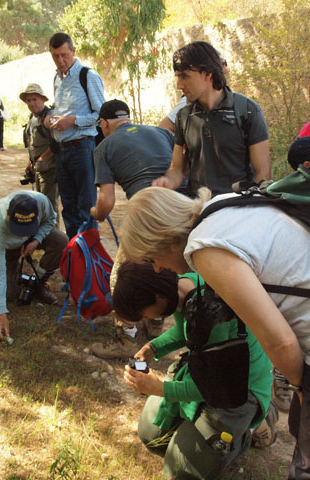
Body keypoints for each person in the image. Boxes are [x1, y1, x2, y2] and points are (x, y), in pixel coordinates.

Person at [120, 186, 310, 479]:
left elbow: (280, 343)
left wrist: (302, 389)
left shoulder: (205, 250)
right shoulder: (220, 206)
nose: (157, 268)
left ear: (164, 239)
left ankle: (256, 422)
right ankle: (263, 422)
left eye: (152, 258)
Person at [114, 261, 276, 479]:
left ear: (158, 297)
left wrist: (161, 389)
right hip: (209, 372)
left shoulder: (213, 313)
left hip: (238, 389)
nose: (148, 319)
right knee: (151, 435)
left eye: (144, 315)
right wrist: (153, 347)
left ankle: (247, 431)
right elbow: (184, 333)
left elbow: (214, 386)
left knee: (181, 472)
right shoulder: (185, 289)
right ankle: (204, 432)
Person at [87, 99, 179, 359]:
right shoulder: (162, 132)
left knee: (124, 276)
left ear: (104, 124)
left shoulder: (104, 146)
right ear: (128, 118)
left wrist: (96, 213)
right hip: (183, 208)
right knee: (166, 267)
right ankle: (156, 323)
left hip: (149, 213)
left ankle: (126, 338)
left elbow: (106, 202)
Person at [153, 41, 271, 196]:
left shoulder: (247, 111)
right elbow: (177, 169)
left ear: (208, 74)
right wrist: (167, 182)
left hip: (238, 207)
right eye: (177, 77)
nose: (179, 85)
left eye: (185, 76)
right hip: (200, 210)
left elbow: (262, 173)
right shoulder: (183, 117)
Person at [45, 32, 105, 239]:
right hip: (61, 152)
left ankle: (89, 262)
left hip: (83, 148)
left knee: (87, 208)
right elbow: (60, 108)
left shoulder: (88, 76)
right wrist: (50, 118)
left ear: (73, 51)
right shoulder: (56, 78)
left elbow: (101, 114)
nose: (60, 61)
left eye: (64, 55)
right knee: (68, 208)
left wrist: (73, 121)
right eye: (55, 56)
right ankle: (74, 258)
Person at [0, 191, 69, 340]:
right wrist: (1, 314)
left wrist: (36, 240)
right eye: (17, 229)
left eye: (24, 230)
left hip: (34, 235)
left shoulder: (41, 202)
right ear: (7, 214)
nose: (20, 235)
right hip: (8, 247)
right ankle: (15, 273)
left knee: (62, 242)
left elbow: (50, 221)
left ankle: (37, 284)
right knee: (9, 294)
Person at [20, 83, 58, 213]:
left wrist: (41, 159)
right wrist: (31, 163)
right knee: (40, 205)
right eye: (28, 100)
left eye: (35, 99)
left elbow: (56, 143)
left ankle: (52, 233)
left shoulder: (50, 116)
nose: (32, 103)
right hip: (39, 168)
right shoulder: (32, 118)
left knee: (49, 207)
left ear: (43, 99)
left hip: (50, 169)